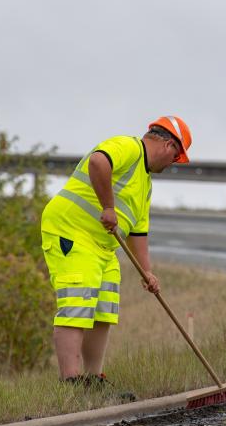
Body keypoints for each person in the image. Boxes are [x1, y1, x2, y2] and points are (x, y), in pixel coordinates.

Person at [39, 116, 193, 384]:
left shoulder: (145, 184)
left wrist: (147, 272)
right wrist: (108, 207)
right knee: (77, 303)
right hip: (71, 231)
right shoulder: (128, 147)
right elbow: (98, 162)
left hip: (104, 247)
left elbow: (138, 232)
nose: (172, 165)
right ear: (169, 145)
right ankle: (71, 381)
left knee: (104, 310)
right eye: (175, 158)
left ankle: (94, 378)